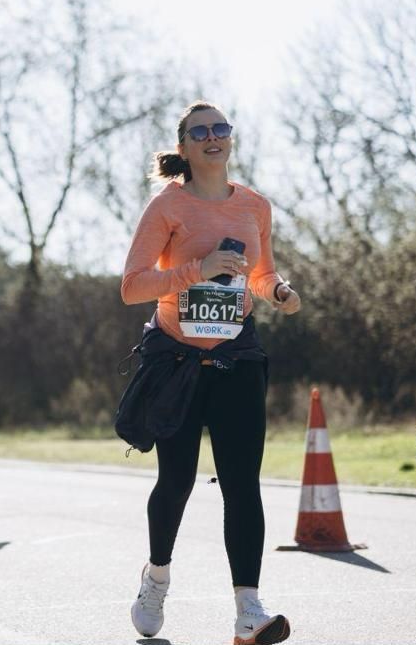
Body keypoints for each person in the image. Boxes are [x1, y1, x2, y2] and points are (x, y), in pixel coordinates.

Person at [120, 101, 300, 645]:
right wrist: (198, 270)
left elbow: (261, 275)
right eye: (200, 131)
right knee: (175, 481)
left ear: (230, 138)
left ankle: (249, 609)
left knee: (243, 485)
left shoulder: (254, 206)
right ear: (184, 147)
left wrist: (280, 292)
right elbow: (132, 286)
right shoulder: (167, 206)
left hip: (237, 357)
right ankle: (156, 579)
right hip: (176, 358)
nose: (212, 137)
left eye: (220, 128)